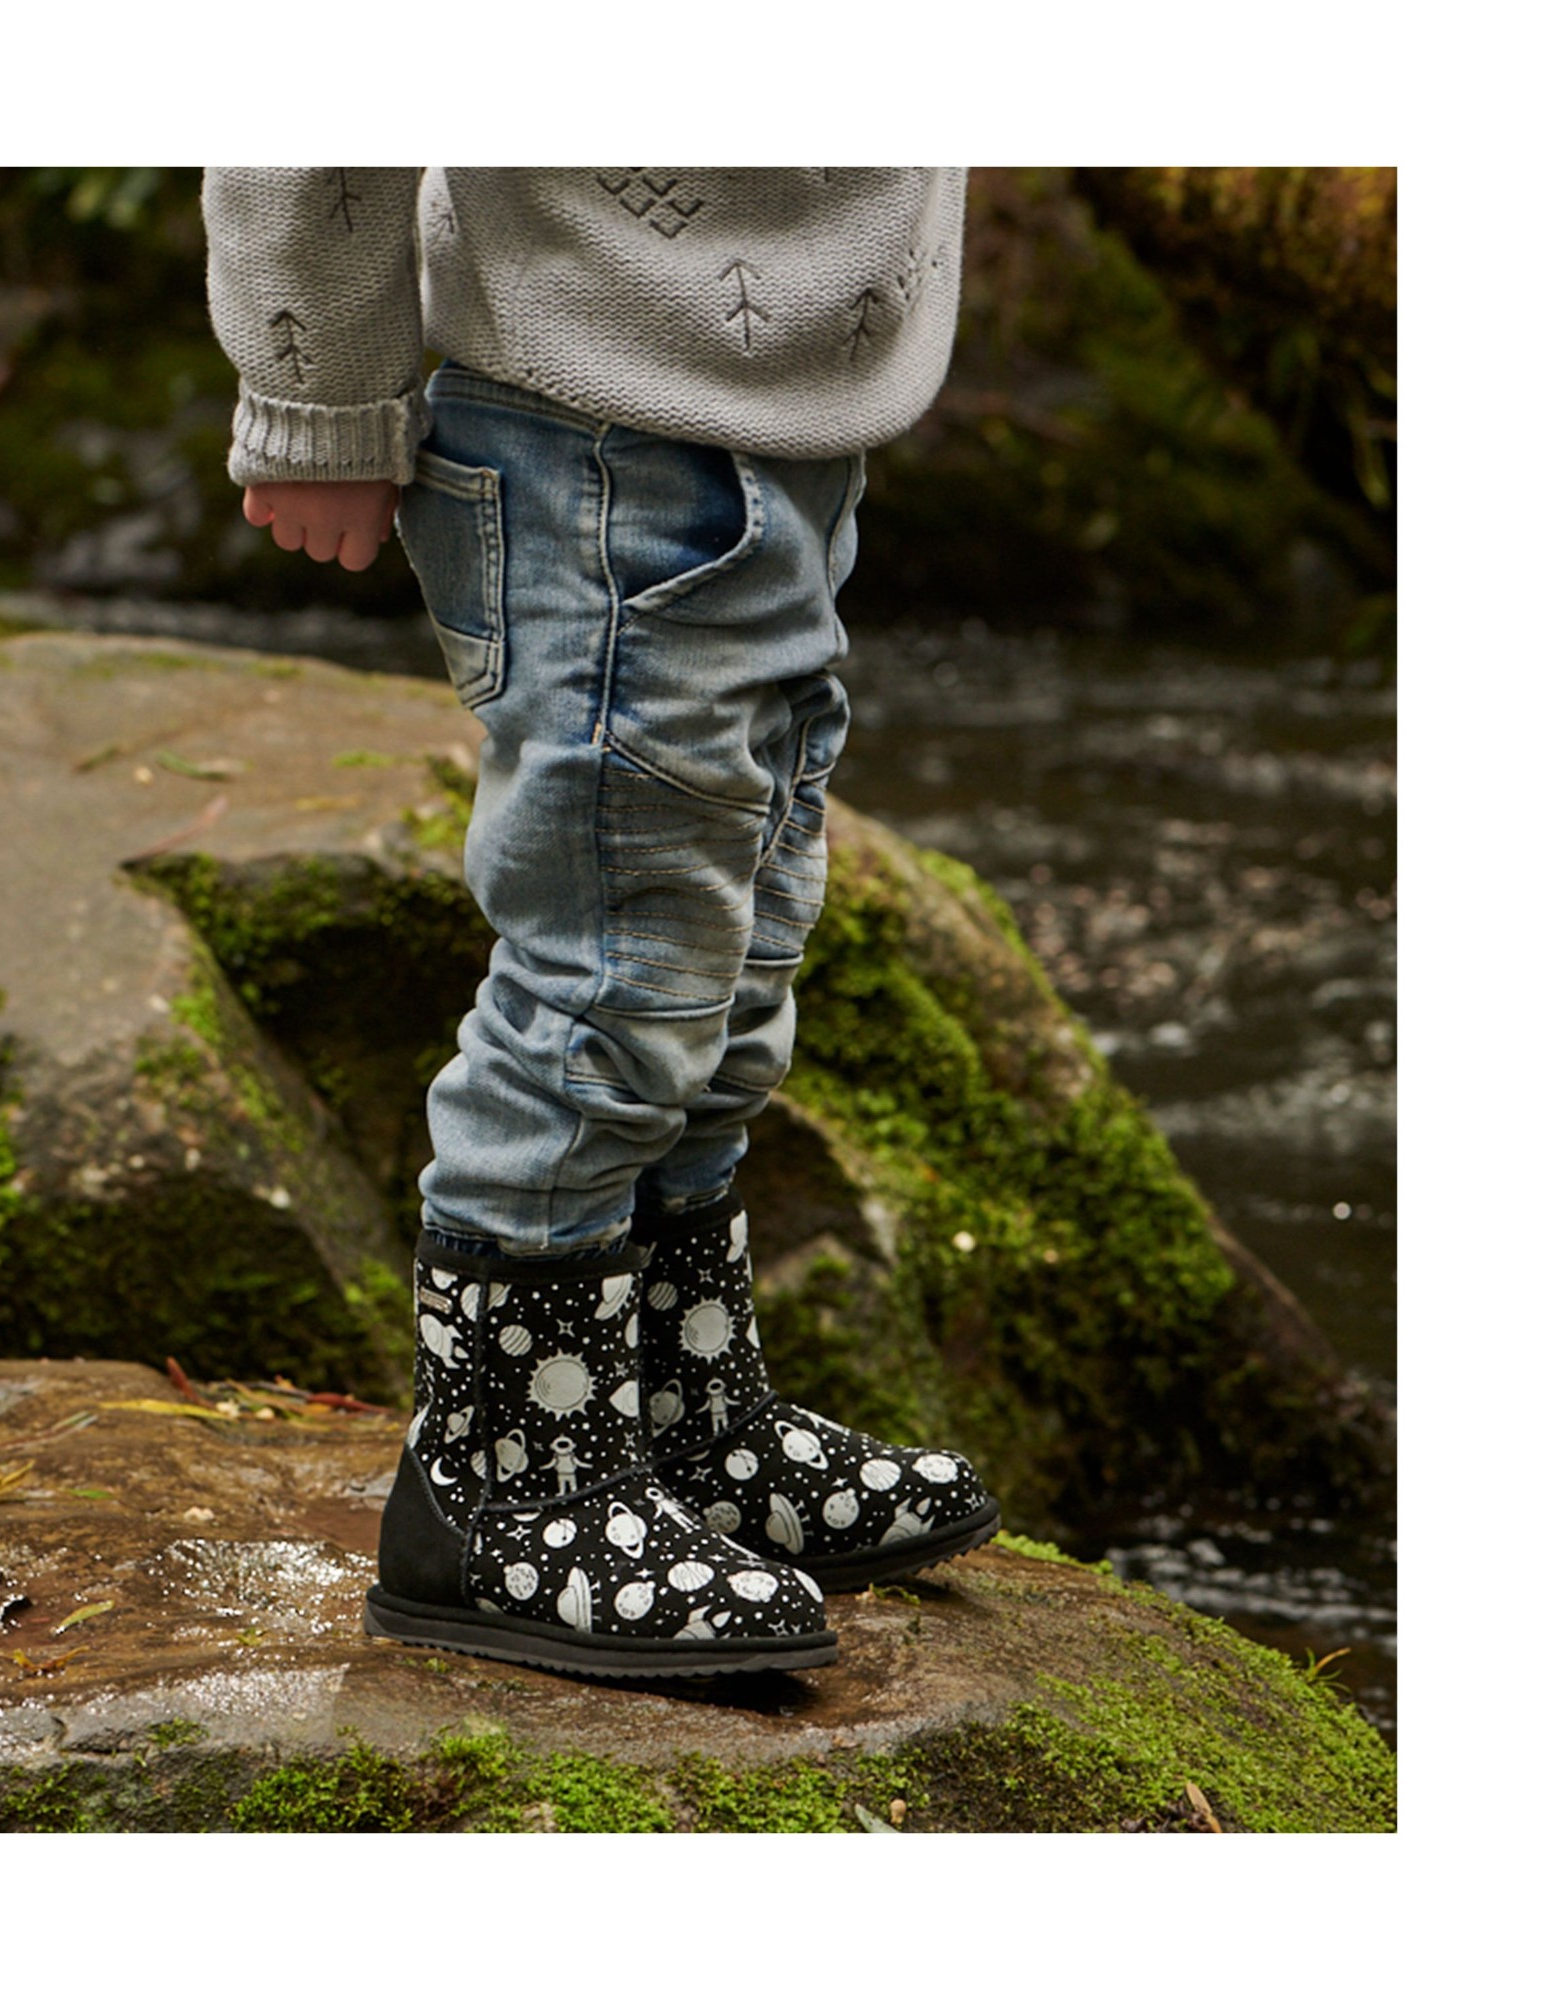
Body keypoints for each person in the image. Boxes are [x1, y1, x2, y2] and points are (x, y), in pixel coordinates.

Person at [202, 168, 998, 1678]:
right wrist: (322, 395)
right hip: (598, 429)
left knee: (733, 966)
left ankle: (681, 1425)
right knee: (613, 981)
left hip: (794, 427)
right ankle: (504, 1483)